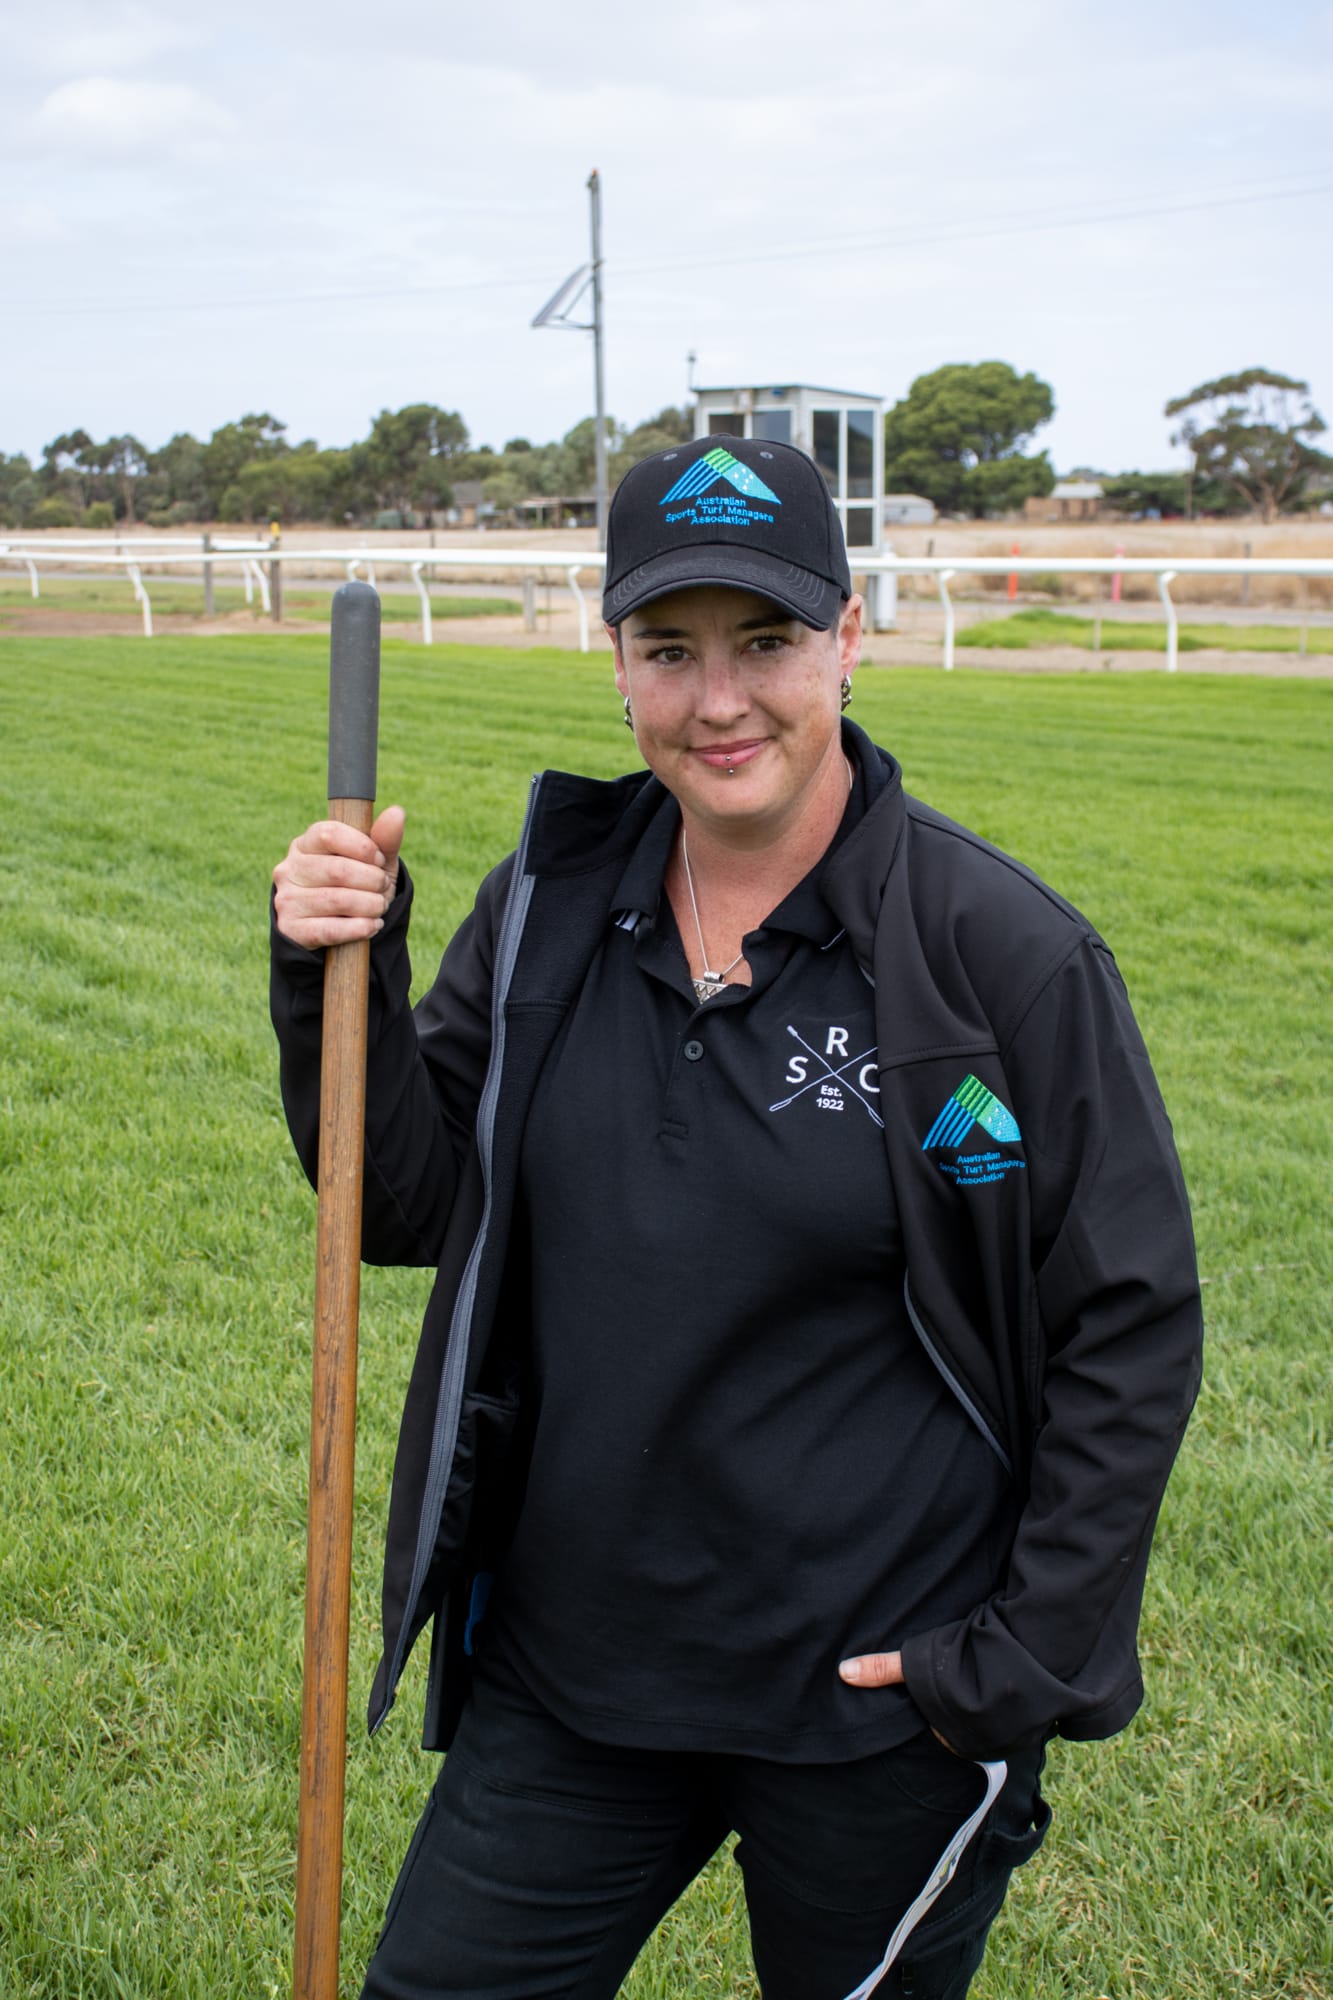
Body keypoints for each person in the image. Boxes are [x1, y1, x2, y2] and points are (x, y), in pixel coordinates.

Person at [271, 434, 1203, 2000]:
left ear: (848, 636)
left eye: (764, 642)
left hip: (869, 1708)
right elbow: (408, 1200)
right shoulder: (548, 907)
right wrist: (329, 975)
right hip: (571, 1674)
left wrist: (1015, 1664)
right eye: (669, 650)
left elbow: (1126, 1321)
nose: (718, 702)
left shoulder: (998, 958)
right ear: (616, 661)